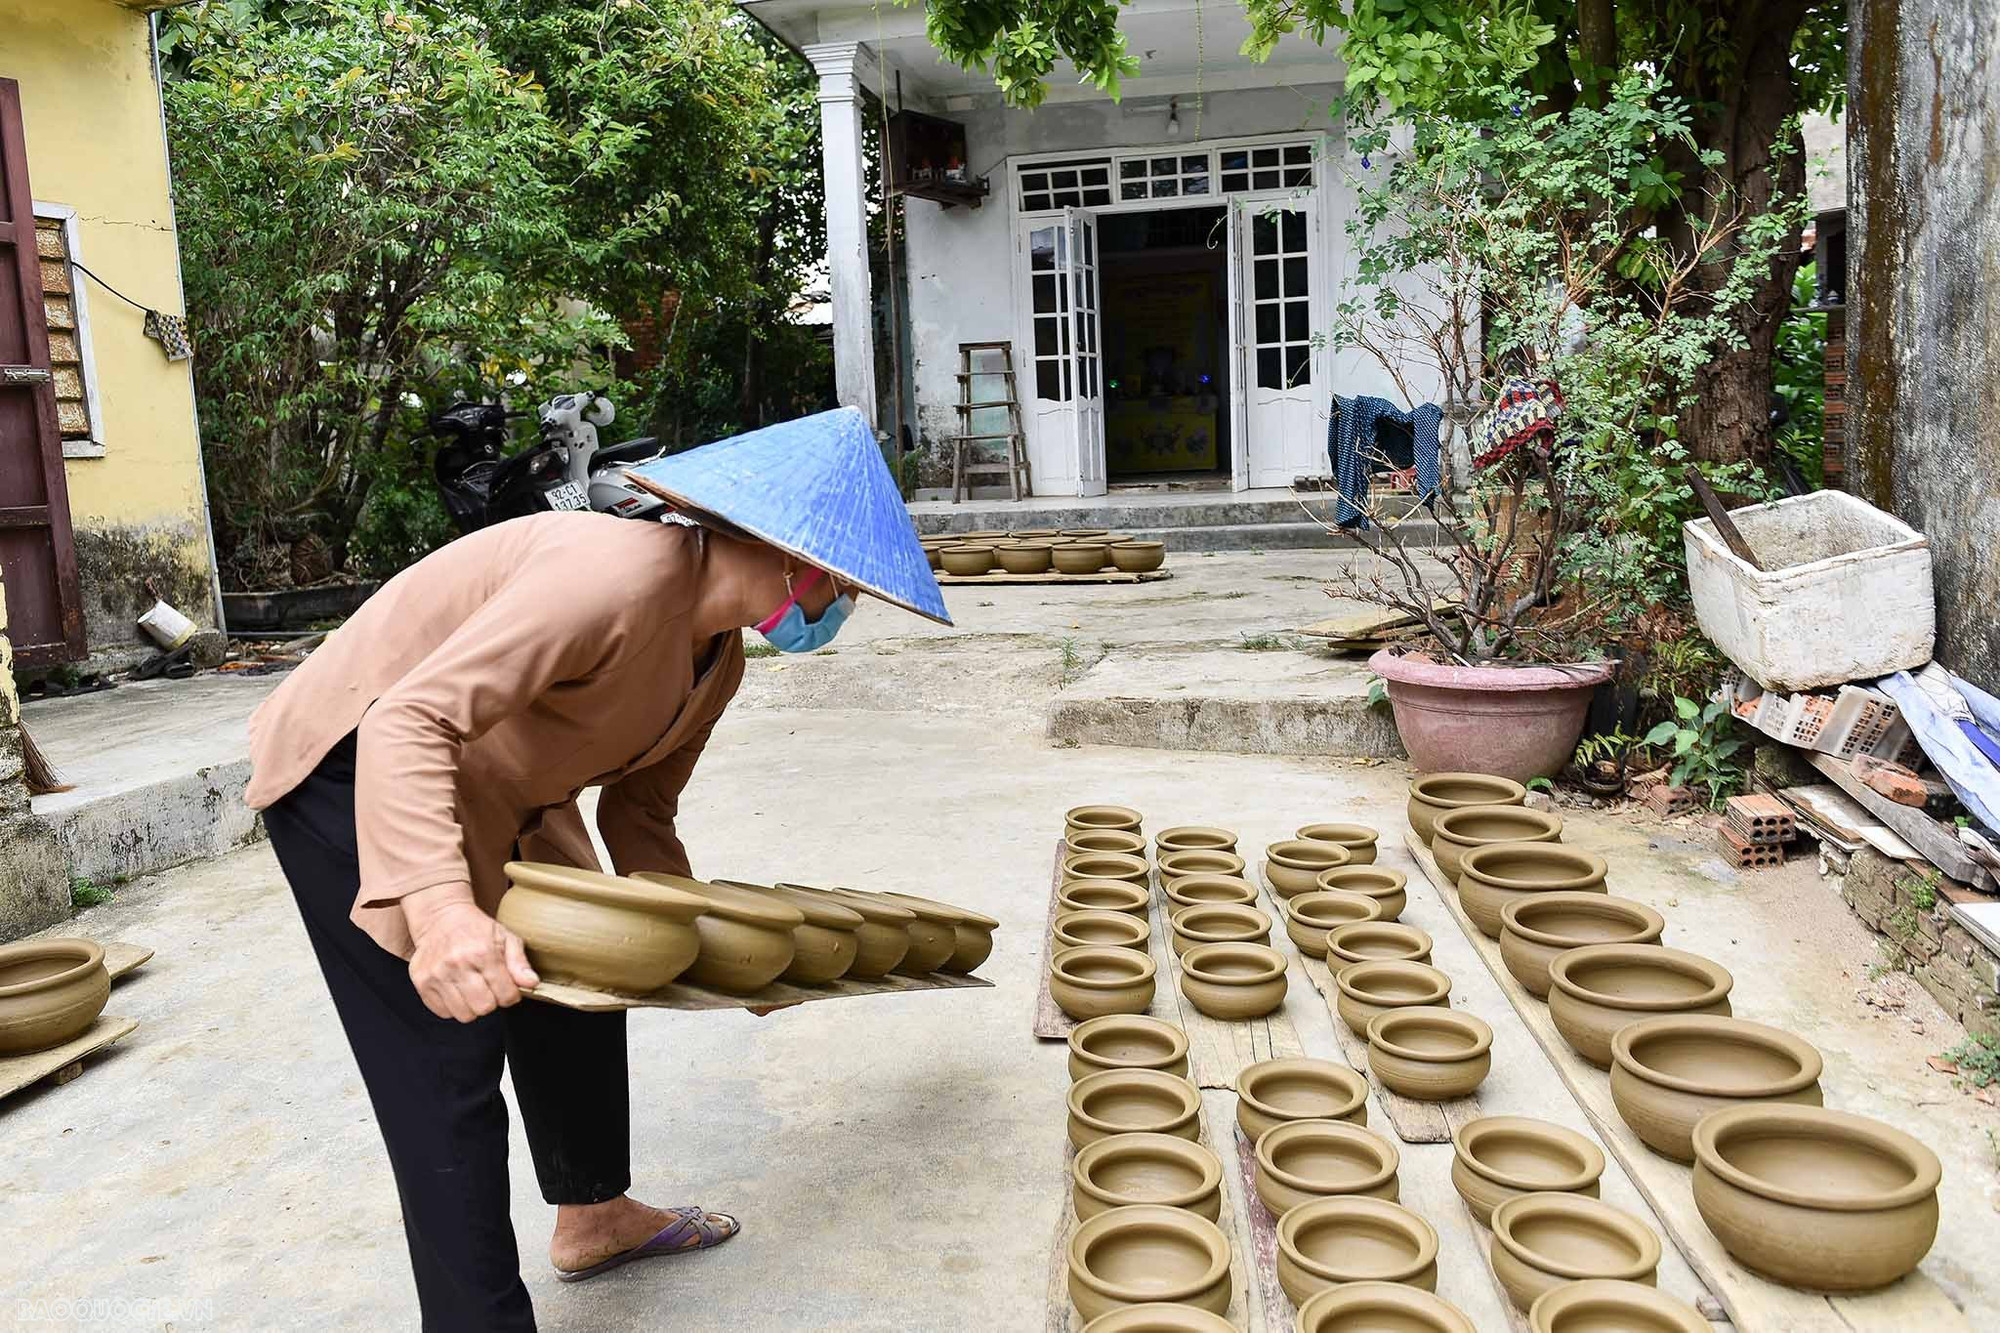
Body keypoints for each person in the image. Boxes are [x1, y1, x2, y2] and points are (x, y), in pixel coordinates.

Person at [244, 408, 949, 1331]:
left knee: (583, 971)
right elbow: (407, 722)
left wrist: (731, 950)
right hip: (356, 766)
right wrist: (443, 911)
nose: (843, 609)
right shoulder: (613, 576)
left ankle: (595, 1216)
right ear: (798, 561)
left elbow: (641, 814)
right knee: (448, 1056)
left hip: (496, 779)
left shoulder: (717, 658)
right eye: (849, 587)